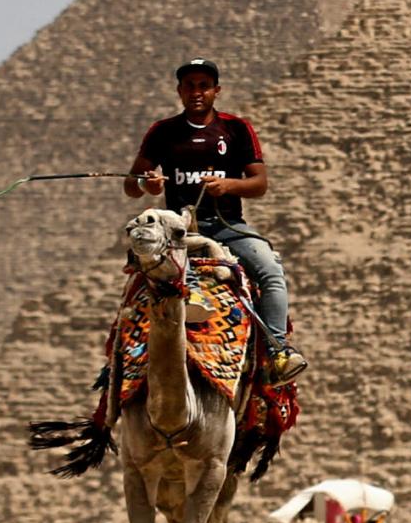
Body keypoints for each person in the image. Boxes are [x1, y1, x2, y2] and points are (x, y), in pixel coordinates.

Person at [125, 58, 307, 383]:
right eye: (190, 86)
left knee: (271, 272)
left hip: (228, 226)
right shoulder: (163, 132)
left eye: (203, 86)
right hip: (178, 230)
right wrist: (146, 183)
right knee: (135, 287)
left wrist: (229, 185)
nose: (197, 92)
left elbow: (259, 183)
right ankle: (122, 366)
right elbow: (132, 183)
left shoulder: (236, 129)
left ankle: (278, 352)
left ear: (216, 91)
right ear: (180, 91)